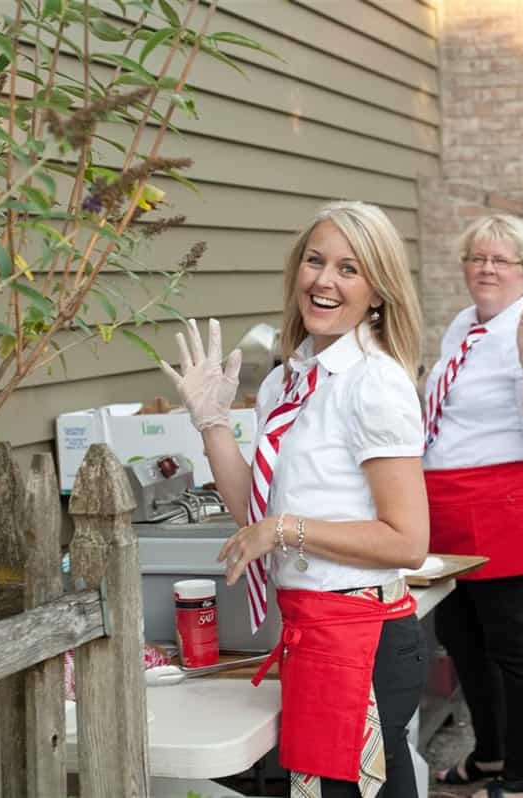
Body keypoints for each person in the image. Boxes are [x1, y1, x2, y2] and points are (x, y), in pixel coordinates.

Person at [157, 201, 430, 798]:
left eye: (348, 268)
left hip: (363, 640)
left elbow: (408, 541)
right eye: (315, 261)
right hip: (313, 634)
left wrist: (285, 529)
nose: (324, 280)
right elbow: (251, 512)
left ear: (378, 292)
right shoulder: (290, 380)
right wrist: (210, 422)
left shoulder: (375, 383)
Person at [423, 214, 523, 798]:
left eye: (501, 260)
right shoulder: (464, 325)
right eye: (476, 257)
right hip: (450, 503)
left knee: (513, 646)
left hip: (508, 502)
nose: (486, 268)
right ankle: (490, 753)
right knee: (462, 636)